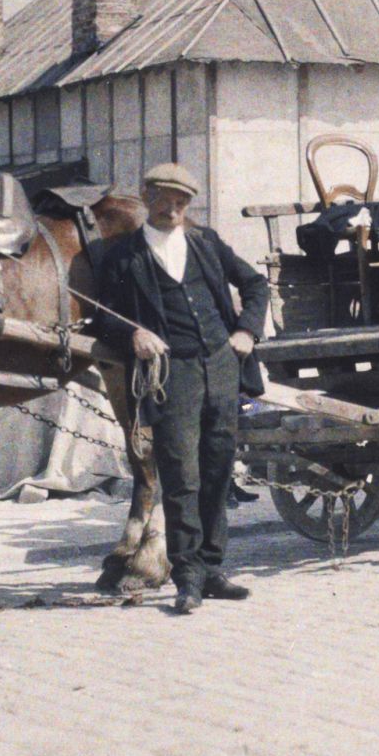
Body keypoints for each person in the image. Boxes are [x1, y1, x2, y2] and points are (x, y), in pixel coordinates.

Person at [97, 163, 272, 613]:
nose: (174, 210)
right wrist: (132, 334)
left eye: (182, 203)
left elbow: (255, 284)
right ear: (147, 197)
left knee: (218, 470)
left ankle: (212, 570)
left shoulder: (206, 243)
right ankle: (187, 576)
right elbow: (103, 316)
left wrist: (247, 332)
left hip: (222, 365)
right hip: (172, 376)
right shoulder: (122, 256)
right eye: (165, 200)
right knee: (181, 476)